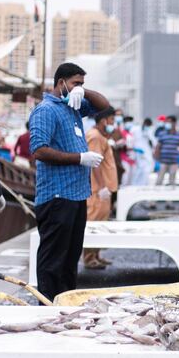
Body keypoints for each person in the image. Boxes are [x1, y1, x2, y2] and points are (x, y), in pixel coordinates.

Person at [30, 62, 111, 301]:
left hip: (76, 195)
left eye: (82, 84)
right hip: (56, 196)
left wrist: (83, 92)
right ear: (61, 82)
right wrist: (79, 158)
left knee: (70, 258)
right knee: (53, 260)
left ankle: (65, 304)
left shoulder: (73, 106)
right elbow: (39, 150)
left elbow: (104, 105)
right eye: (75, 83)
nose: (79, 88)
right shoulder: (46, 110)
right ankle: (47, 304)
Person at [83, 107, 118, 270]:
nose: (113, 124)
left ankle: (95, 254)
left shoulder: (101, 136)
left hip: (103, 188)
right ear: (104, 120)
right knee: (93, 222)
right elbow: (94, 163)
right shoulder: (95, 137)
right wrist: (103, 186)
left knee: (100, 222)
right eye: (112, 120)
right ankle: (89, 258)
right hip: (98, 189)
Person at [154, 115, 179, 186]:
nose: (167, 124)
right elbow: (158, 147)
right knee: (159, 180)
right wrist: (156, 158)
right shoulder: (162, 134)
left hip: (174, 161)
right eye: (166, 122)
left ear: (174, 123)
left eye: (169, 122)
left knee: (172, 181)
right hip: (163, 161)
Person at [129, 118, 154, 186]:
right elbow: (130, 139)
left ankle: (144, 184)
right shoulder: (135, 129)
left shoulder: (149, 131)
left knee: (147, 169)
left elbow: (152, 142)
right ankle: (134, 184)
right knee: (138, 168)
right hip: (137, 152)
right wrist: (135, 149)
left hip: (146, 153)